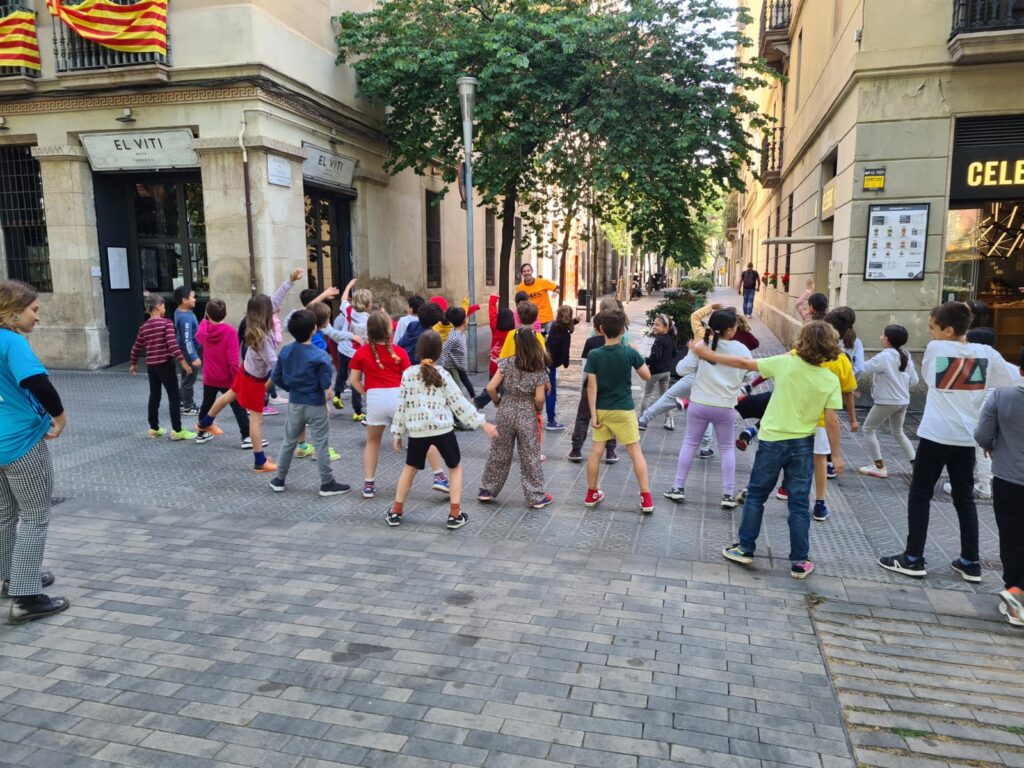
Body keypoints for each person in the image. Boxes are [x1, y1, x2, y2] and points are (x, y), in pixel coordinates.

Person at [879, 301, 1022, 582]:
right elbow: (1014, 377)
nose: (929, 332)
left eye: (932, 327)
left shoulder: (936, 349)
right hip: (966, 438)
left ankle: (913, 557)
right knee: (964, 498)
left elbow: (928, 378)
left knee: (920, 494)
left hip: (935, 435)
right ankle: (971, 561)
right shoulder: (986, 354)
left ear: (947, 330)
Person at [691, 321, 844, 579]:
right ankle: (800, 561)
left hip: (772, 440)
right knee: (799, 504)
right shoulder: (830, 379)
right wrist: (836, 455)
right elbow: (831, 421)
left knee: (756, 495)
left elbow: (743, 363)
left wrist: (707, 354)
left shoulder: (785, 363)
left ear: (802, 341)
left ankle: (745, 548)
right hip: (803, 444)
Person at [0, 281, 69, 624]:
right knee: (34, 517)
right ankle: (26, 598)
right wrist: (60, 417)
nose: (37, 317)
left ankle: (11, 578)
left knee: (3, 515)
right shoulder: (12, 341)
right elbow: (37, 382)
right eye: (33, 310)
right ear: (13, 313)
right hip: (21, 442)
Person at [387, 331, 497, 529]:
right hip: (443, 431)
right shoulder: (443, 375)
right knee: (455, 468)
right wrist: (483, 423)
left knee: (409, 469)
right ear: (439, 352)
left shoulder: (408, 374)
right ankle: (455, 514)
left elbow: (402, 405)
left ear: (418, 351)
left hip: (418, 432)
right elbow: (459, 403)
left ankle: (396, 510)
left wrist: (397, 432)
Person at [351, 311, 450, 499]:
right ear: (389, 330)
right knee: (423, 436)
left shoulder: (361, 352)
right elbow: (409, 378)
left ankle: (369, 484)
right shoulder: (400, 352)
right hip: (398, 397)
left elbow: (354, 380)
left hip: (375, 398)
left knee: (373, 441)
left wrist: (366, 392)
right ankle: (439, 476)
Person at [665, 309, 752, 508]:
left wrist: (695, 357)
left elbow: (680, 369)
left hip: (699, 403)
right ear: (730, 330)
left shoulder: (702, 346)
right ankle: (728, 495)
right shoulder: (742, 350)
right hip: (725, 406)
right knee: (727, 448)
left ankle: (678, 488)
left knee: (689, 443)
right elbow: (748, 376)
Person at [267, 310, 350, 497]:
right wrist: (326, 392)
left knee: (289, 442)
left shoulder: (286, 351)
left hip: (295, 403)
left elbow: (276, 377)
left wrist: (290, 389)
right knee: (320, 443)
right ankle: (327, 483)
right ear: (314, 329)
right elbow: (324, 383)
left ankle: (279, 479)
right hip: (315, 404)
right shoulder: (320, 355)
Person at [583, 309, 654, 514]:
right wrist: (636, 352)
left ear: (601, 329)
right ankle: (646, 498)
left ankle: (591, 493)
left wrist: (593, 414)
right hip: (624, 409)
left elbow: (591, 387)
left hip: (602, 410)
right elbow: (647, 376)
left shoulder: (594, 355)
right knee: (635, 452)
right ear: (623, 330)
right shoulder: (629, 352)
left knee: (596, 451)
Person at [197, 293, 279, 472]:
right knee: (256, 420)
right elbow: (274, 363)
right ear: (267, 312)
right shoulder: (263, 338)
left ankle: (205, 422)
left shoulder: (253, 326)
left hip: (245, 372)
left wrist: (289, 282)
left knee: (228, 396)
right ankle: (260, 461)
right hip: (254, 379)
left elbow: (275, 300)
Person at [974, 347, 1024, 626]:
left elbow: (982, 434)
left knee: (1012, 536)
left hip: (1009, 478)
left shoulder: (1001, 397)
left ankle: (1015, 593)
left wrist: (991, 446)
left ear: (1020, 369)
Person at [478, 328, 552, 508]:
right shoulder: (539, 368)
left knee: (499, 452)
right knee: (530, 455)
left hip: (506, 409)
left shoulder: (507, 363)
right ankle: (535, 496)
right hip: (527, 411)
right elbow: (540, 398)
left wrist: (497, 401)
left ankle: (487, 489)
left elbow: (490, 388)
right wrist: (538, 409)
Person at [129, 295, 196, 440]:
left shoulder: (144, 327)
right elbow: (172, 345)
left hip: (151, 366)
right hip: (165, 365)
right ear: (158, 307)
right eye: (164, 306)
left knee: (155, 395)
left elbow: (136, 347)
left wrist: (133, 363)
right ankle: (177, 430)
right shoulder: (166, 323)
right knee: (174, 396)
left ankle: (154, 428)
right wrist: (184, 362)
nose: (165, 308)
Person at [857, 325, 918, 478]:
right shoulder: (906, 356)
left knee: (868, 429)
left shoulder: (884, 357)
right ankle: (916, 466)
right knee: (898, 432)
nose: (880, 337)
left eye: (882, 335)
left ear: (887, 339)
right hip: (903, 401)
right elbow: (914, 381)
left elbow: (862, 368)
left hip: (887, 401)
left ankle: (879, 467)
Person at [194, 299, 252, 447]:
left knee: (207, 404)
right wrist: (238, 378)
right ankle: (246, 436)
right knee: (238, 405)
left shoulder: (204, 330)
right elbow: (232, 361)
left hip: (209, 376)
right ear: (225, 314)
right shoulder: (230, 332)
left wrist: (205, 319)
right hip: (227, 377)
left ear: (207, 314)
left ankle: (202, 432)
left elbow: (198, 335)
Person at [568, 311, 618, 464]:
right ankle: (610, 451)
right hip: (610, 386)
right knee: (610, 418)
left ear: (597, 328)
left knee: (583, 417)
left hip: (590, 384)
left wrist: (582, 384)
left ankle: (576, 449)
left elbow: (585, 366)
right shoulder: (616, 342)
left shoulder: (591, 342)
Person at [333, 279, 371, 421]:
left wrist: (349, 285)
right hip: (357, 353)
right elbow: (367, 338)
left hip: (343, 348)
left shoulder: (348, 309)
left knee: (341, 373)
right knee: (356, 380)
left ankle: (337, 395)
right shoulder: (368, 319)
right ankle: (357, 411)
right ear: (367, 304)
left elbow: (343, 299)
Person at [638, 314, 677, 431]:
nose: (654, 326)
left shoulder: (659, 339)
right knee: (665, 396)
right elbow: (675, 353)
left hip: (655, 372)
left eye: (657, 325)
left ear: (665, 327)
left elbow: (655, 356)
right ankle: (670, 420)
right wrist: (667, 362)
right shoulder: (670, 337)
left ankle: (642, 420)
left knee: (648, 395)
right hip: (667, 371)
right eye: (654, 324)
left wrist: (646, 362)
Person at [544, 304, 577, 431]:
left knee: (538, 390)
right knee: (550, 392)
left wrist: (576, 321)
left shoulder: (553, 326)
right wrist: (566, 363)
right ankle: (551, 421)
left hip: (542, 360)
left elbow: (562, 325)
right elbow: (565, 352)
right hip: (551, 365)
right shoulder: (566, 335)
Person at [173, 285, 202, 415]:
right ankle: (188, 407)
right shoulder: (185, 318)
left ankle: (181, 401)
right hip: (187, 352)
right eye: (192, 297)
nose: (195, 299)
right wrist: (194, 356)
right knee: (189, 379)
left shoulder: (181, 311)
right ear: (184, 300)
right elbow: (187, 340)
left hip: (185, 350)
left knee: (186, 378)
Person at [439, 306, 475, 398]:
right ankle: (459, 401)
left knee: (465, 380)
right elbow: (443, 351)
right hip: (452, 366)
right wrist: (440, 368)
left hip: (460, 364)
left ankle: (474, 398)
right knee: (457, 388)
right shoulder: (454, 337)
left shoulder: (459, 331)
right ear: (464, 320)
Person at [516, 263, 559, 332]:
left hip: (547, 319)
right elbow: (519, 304)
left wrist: (556, 292)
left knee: (550, 338)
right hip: (532, 321)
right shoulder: (520, 288)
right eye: (524, 271)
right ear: (522, 274)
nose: (526, 273)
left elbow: (557, 287)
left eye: (528, 270)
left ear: (532, 271)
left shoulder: (542, 282)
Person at [487, 294, 516, 378]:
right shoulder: (514, 334)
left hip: (494, 367)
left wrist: (493, 299)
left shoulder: (495, 328)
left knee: (492, 385)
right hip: (508, 370)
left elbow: (492, 314)